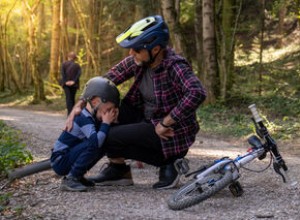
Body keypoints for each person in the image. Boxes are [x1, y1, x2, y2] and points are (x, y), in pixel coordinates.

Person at [67, 15, 207, 189]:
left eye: (135, 49)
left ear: (155, 49)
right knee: (100, 116)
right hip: (146, 119)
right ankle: (118, 170)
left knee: (107, 136)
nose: (130, 53)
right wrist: (79, 106)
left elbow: (197, 92)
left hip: (169, 132)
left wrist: (166, 122)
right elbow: (105, 80)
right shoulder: (139, 61)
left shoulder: (174, 66)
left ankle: (169, 162)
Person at [51, 77, 120, 191]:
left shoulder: (90, 117)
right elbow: (96, 142)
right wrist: (106, 123)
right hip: (60, 160)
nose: (109, 113)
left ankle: (78, 175)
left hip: (67, 156)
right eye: (108, 109)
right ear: (95, 102)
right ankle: (71, 178)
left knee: (102, 142)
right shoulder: (83, 118)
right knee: (94, 143)